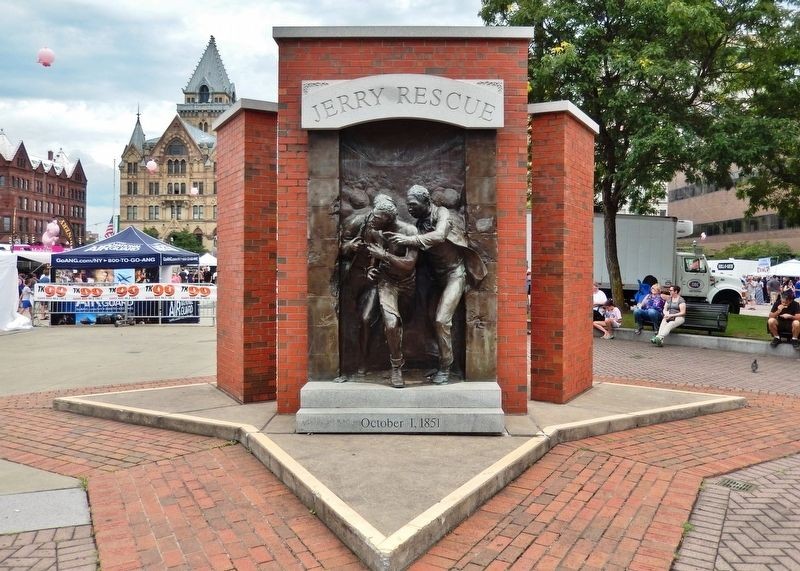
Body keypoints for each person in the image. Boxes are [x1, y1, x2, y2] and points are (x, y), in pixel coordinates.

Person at [387, 184, 487, 385]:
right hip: (433, 278)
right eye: (408, 205)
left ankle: (446, 367)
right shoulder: (419, 223)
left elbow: (440, 235)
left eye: (413, 204)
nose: (410, 208)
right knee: (429, 320)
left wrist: (410, 240)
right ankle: (439, 361)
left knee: (442, 320)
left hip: (454, 274)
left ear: (426, 201)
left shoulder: (441, 213)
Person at [338, 194, 418, 387]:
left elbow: (409, 264)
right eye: (372, 216)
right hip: (386, 282)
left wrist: (384, 255)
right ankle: (396, 368)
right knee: (391, 323)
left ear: (389, 218)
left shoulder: (409, 230)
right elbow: (375, 261)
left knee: (404, 321)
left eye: (377, 217)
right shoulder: (376, 231)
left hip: (407, 283)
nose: (372, 220)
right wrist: (373, 270)